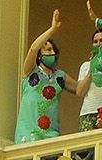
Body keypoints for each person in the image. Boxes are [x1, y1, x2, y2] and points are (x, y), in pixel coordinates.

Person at [15, 10, 68, 144]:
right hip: (28, 134)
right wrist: (53, 29)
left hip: (51, 135)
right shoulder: (30, 71)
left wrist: (93, 69)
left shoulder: (60, 76)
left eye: (53, 49)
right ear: (39, 56)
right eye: (47, 49)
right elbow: (33, 49)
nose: (52, 52)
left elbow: (79, 89)